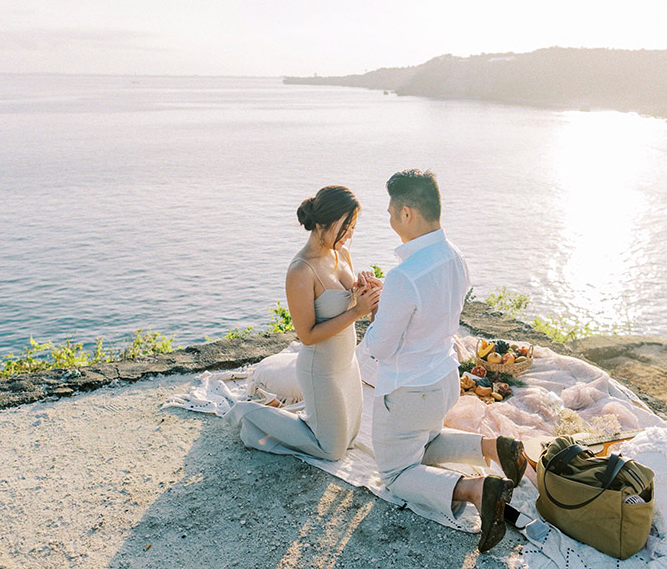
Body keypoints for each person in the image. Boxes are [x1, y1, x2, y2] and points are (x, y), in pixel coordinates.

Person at [359, 169, 528, 553]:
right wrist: (393, 305)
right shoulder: (455, 256)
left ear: (407, 214)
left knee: (396, 472)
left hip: (408, 392)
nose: (387, 220)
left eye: (389, 212)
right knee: (427, 440)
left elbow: (380, 348)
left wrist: (371, 313)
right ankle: (493, 448)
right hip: (443, 379)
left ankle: (476, 488)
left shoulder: (404, 275)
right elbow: (431, 311)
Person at [225, 186, 381, 461]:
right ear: (321, 223)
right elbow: (307, 336)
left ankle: (281, 410)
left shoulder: (339, 253)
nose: (349, 234)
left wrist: (365, 288)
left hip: (347, 362)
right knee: (331, 450)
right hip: (319, 369)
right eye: (344, 226)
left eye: (353, 226)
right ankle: (249, 412)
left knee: (350, 440)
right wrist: (357, 312)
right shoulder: (300, 270)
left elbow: (350, 301)